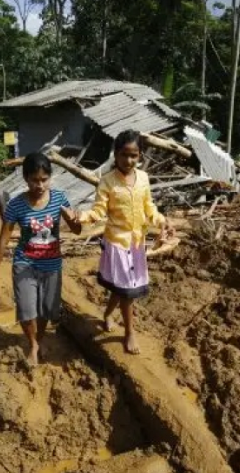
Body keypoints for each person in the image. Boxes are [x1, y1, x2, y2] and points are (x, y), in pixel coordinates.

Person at [74, 130, 174, 355]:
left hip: (137, 243)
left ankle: (108, 314)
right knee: (128, 291)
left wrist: (162, 222)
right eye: (124, 155)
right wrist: (80, 217)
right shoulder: (108, 182)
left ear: (140, 156)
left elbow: (149, 208)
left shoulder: (144, 179)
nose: (129, 160)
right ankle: (129, 333)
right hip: (117, 244)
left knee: (121, 290)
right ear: (116, 154)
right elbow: (98, 210)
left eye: (134, 155)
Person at [0, 153, 81, 366]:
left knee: (45, 309)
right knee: (26, 309)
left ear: (50, 178)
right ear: (26, 178)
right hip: (24, 263)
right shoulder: (16, 205)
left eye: (44, 179)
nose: (40, 185)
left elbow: (77, 230)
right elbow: (3, 241)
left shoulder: (59, 199)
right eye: (35, 180)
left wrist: (74, 221)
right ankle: (33, 345)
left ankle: (38, 340)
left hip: (52, 265)